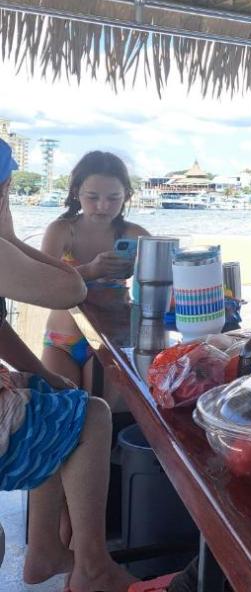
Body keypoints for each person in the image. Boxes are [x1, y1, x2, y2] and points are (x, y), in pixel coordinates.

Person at [0, 139, 136, 592]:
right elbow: (66, 288)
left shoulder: (134, 231)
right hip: (64, 336)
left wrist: (42, 376)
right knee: (89, 415)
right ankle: (88, 566)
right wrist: (8, 234)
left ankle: (46, 551)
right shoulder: (50, 233)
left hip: (98, 341)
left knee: (61, 407)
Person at [42, 151, 149, 388]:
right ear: (76, 192)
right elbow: (43, 285)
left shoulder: (135, 234)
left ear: (126, 196)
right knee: (64, 413)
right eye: (92, 197)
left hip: (112, 340)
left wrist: (141, 271)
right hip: (62, 341)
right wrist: (91, 270)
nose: (103, 206)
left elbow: (162, 280)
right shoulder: (61, 230)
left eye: (113, 198)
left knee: (102, 415)